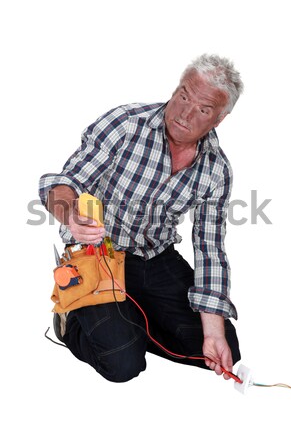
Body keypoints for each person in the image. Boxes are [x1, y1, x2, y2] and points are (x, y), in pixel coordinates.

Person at [39, 54, 243, 383]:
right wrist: (71, 213)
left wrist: (214, 332)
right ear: (177, 88)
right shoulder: (126, 123)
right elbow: (66, 182)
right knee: (123, 365)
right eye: (184, 96)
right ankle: (73, 321)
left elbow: (210, 250)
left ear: (218, 119)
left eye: (203, 109)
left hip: (156, 259)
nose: (184, 114)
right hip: (99, 254)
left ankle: (125, 324)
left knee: (221, 346)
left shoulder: (217, 169)